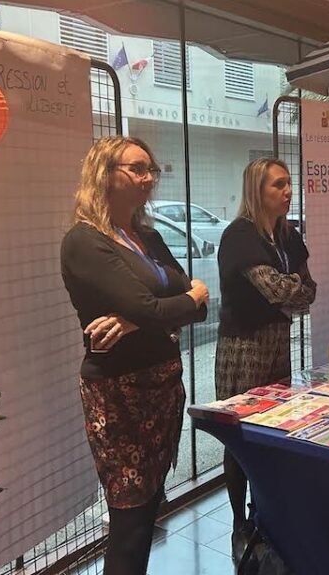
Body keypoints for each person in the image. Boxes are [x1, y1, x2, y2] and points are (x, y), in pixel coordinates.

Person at [60, 136, 209, 575]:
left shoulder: (147, 235)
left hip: (162, 387)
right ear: (104, 174)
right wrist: (153, 312)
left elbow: (194, 304)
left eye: (151, 170)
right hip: (119, 391)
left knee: (146, 514)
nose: (148, 179)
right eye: (136, 169)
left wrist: (137, 318)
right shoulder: (85, 241)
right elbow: (159, 303)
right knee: (129, 517)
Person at [215, 158, 316, 559]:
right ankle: (239, 522)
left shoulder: (288, 235)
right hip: (244, 347)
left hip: (278, 340)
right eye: (278, 185)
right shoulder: (240, 235)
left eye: (289, 183)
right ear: (258, 191)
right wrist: (297, 287)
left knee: (273, 429)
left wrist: (296, 287)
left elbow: (309, 290)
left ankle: (265, 515)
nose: (287, 191)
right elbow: (281, 292)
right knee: (239, 437)